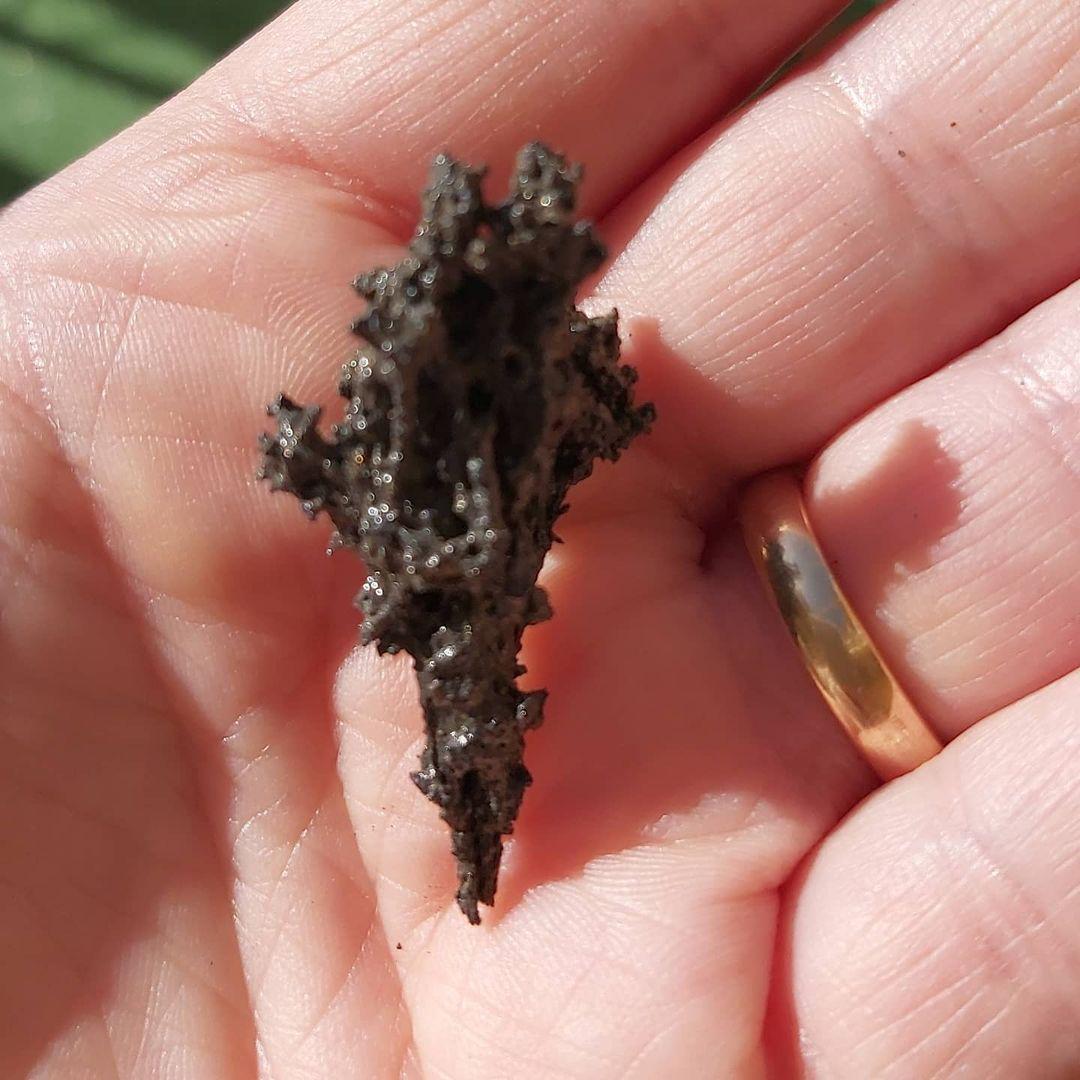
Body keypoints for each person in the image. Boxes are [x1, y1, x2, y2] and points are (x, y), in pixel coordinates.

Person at [0, 0, 1076, 1075]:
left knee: (473, 706)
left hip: (479, 598)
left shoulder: (484, 401)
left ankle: (477, 842)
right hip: (464, 605)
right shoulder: (438, 413)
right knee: (470, 707)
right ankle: (475, 843)